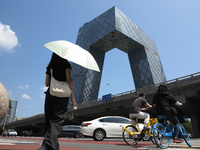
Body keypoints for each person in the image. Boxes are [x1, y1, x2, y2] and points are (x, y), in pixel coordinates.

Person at [38, 53, 77, 150]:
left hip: (50, 95)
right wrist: (73, 98)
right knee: (56, 122)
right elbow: (69, 80)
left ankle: (54, 147)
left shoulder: (50, 66)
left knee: (49, 121)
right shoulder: (66, 64)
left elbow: (47, 84)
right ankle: (46, 146)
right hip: (62, 97)